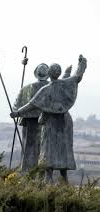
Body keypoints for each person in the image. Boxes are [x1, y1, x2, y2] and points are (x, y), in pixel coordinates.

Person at [11, 55, 87, 183]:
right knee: (64, 149)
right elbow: (78, 76)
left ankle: (49, 178)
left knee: (49, 148)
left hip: (51, 121)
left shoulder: (45, 90)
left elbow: (31, 104)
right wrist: (82, 63)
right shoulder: (66, 83)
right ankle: (64, 178)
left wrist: (17, 113)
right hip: (65, 121)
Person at [13, 63, 49, 171]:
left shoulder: (26, 88)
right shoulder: (52, 88)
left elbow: (16, 107)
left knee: (28, 148)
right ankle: (43, 173)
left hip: (29, 124)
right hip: (48, 122)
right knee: (44, 149)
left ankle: (27, 172)